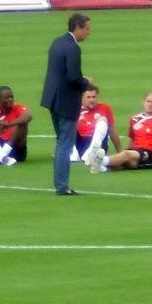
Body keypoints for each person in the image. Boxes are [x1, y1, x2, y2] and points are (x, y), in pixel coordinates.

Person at [41, 13, 94, 196]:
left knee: (60, 141)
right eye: (87, 29)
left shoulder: (57, 42)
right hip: (66, 100)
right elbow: (73, 77)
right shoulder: (73, 47)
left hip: (52, 98)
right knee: (65, 143)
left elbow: (60, 72)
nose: (88, 33)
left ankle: (59, 184)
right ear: (77, 28)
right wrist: (87, 84)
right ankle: (62, 186)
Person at [83, 90, 152, 172]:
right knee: (123, 162)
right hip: (136, 152)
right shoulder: (135, 119)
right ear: (143, 102)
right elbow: (132, 140)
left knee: (126, 156)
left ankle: (99, 161)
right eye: (148, 101)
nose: (150, 104)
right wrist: (125, 151)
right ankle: (100, 167)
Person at [69, 85, 122, 163]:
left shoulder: (104, 108)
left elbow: (112, 131)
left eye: (94, 97)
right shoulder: (76, 109)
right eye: (88, 97)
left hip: (99, 143)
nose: (91, 100)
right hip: (81, 142)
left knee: (103, 119)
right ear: (82, 97)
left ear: (97, 97)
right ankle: (73, 154)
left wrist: (120, 152)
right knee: (69, 124)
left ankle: (91, 151)